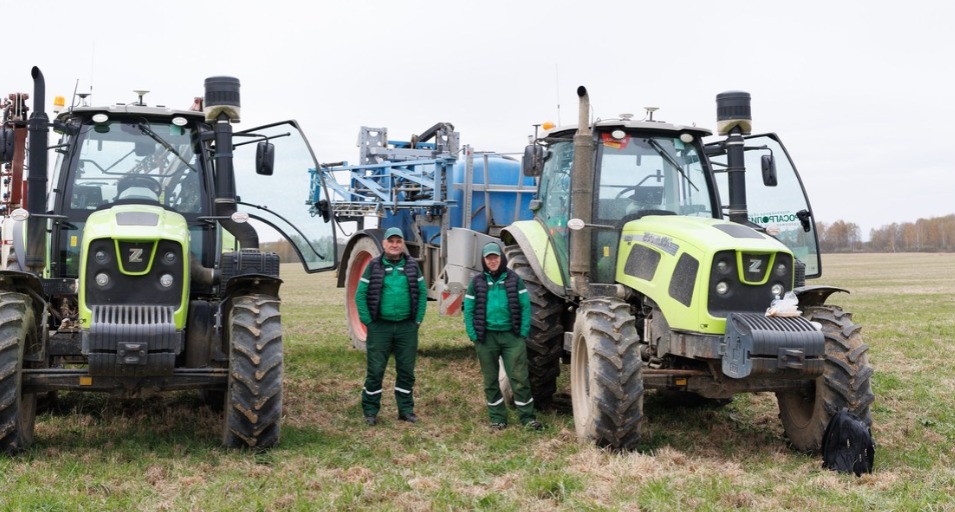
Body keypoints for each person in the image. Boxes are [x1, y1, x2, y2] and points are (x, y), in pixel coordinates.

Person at [463, 242, 543, 431]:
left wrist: (522, 332)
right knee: (490, 381)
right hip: (486, 339)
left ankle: (527, 418)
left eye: (495, 257)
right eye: (488, 258)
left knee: (520, 378)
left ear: (501, 258)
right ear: (484, 260)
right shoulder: (477, 283)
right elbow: (469, 310)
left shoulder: (515, 280)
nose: (492, 261)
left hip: (511, 338)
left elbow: (525, 307)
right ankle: (497, 418)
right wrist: (473, 335)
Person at [356, 227, 427, 426]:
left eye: (398, 241)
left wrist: (417, 320)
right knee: (376, 370)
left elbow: (422, 293)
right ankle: (370, 411)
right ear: (384, 244)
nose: (395, 245)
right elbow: (360, 295)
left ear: (402, 243)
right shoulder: (374, 266)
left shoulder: (412, 266)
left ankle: (405, 410)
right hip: (380, 328)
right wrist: (369, 321)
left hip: (407, 328)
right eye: (391, 241)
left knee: (406, 371)